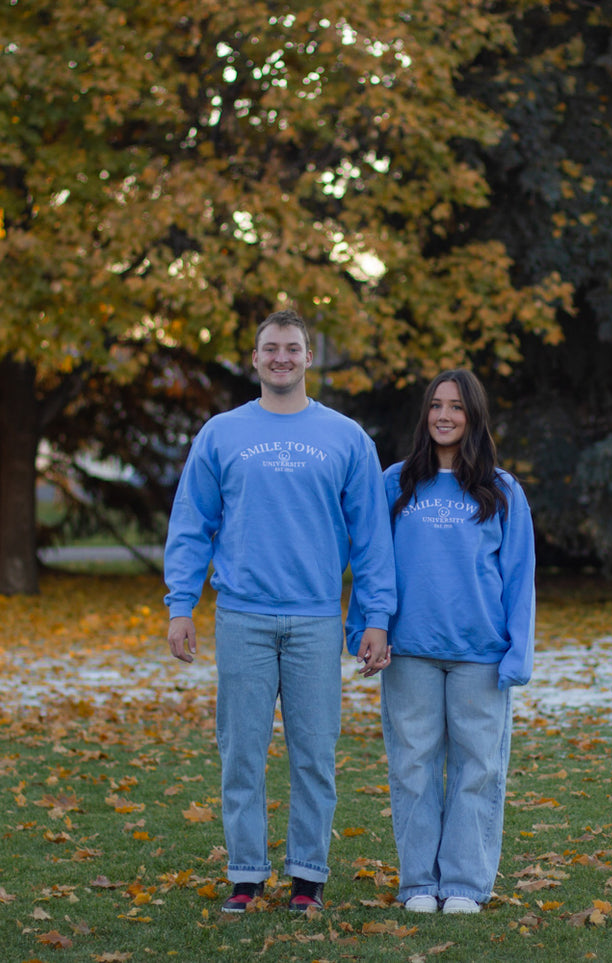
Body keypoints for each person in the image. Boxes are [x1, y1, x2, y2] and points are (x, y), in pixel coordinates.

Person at [163, 307, 396, 914]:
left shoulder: (346, 437)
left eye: (292, 347)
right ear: (256, 357)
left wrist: (376, 617)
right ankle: (245, 877)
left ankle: (307, 882)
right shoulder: (221, 433)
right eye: (271, 348)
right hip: (241, 615)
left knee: (314, 755)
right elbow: (193, 523)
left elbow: (372, 537)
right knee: (240, 752)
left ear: (309, 357)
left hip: (316, 620)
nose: (281, 357)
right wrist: (179, 604)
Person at [346, 369, 535, 915]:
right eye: (435, 406)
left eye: (456, 406)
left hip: (481, 653)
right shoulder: (396, 483)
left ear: (474, 416)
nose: (444, 416)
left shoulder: (502, 490)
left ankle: (465, 885)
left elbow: (520, 577)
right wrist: (366, 628)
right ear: (425, 415)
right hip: (411, 651)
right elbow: (372, 562)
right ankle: (418, 885)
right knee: (412, 768)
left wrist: (516, 654)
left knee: (478, 769)